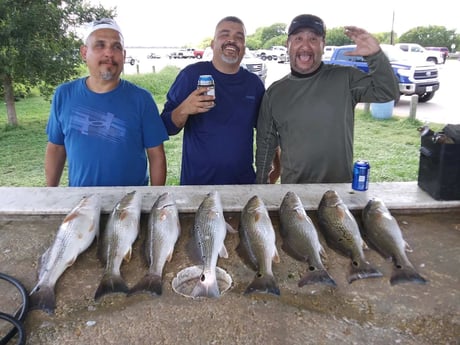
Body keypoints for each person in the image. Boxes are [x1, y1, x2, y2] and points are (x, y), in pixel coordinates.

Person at [255, 14, 400, 184]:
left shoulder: (345, 78)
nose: (305, 45)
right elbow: (265, 144)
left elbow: (388, 92)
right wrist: (260, 183)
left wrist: (375, 56)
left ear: (323, 45)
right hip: (295, 196)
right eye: (298, 38)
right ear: (288, 45)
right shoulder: (275, 93)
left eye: (313, 39)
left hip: (340, 191)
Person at [45, 18, 168, 187]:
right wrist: (50, 193)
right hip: (80, 201)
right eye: (100, 45)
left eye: (116, 47)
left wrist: (154, 198)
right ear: (84, 52)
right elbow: (56, 148)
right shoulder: (64, 94)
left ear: (123, 55)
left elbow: (156, 154)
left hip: (130, 204)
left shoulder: (142, 99)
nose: (109, 53)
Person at [160, 16, 266, 185]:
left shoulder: (254, 84)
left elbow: (267, 132)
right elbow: (165, 127)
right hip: (197, 186)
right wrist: (184, 109)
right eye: (225, 34)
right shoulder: (191, 75)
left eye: (239, 37)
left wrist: (270, 172)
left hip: (243, 186)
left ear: (244, 48)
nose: (232, 40)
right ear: (212, 43)